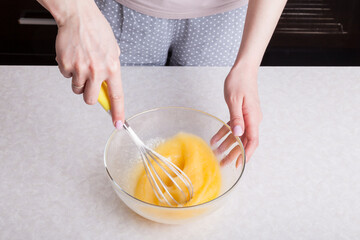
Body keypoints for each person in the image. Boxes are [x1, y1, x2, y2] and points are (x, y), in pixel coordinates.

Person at [37, 0, 287, 162]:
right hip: (120, 11)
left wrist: (248, 65)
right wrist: (74, 13)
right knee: (104, 137)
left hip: (228, 18)